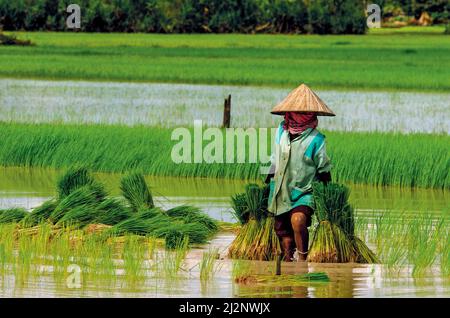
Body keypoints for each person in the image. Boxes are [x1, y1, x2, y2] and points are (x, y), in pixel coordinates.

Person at [266, 84, 334, 262]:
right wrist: (269, 174)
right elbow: (275, 155)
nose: (299, 115)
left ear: (311, 115)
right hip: (280, 190)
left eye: (304, 113)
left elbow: (323, 165)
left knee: (298, 221)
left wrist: (327, 184)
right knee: (283, 234)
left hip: (303, 192)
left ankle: (303, 260)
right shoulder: (281, 130)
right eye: (295, 111)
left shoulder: (316, 139)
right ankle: (289, 260)